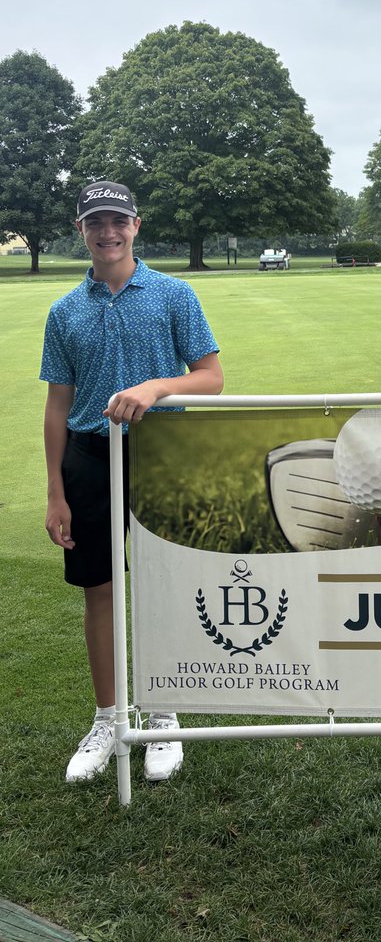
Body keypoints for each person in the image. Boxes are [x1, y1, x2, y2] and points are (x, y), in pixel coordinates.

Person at [41, 181, 224, 784]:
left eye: (117, 221)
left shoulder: (173, 293)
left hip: (160, 451)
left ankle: (163, 715)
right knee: (100, 588)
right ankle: (107, 718)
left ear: (136, 226)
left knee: (161, 584)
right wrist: (55, 490)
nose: (107, 232)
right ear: (81, 231)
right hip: (89, 458)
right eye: (96, 223)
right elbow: (57, 404)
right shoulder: (65, 311)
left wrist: (156, 386)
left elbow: (211, 377)